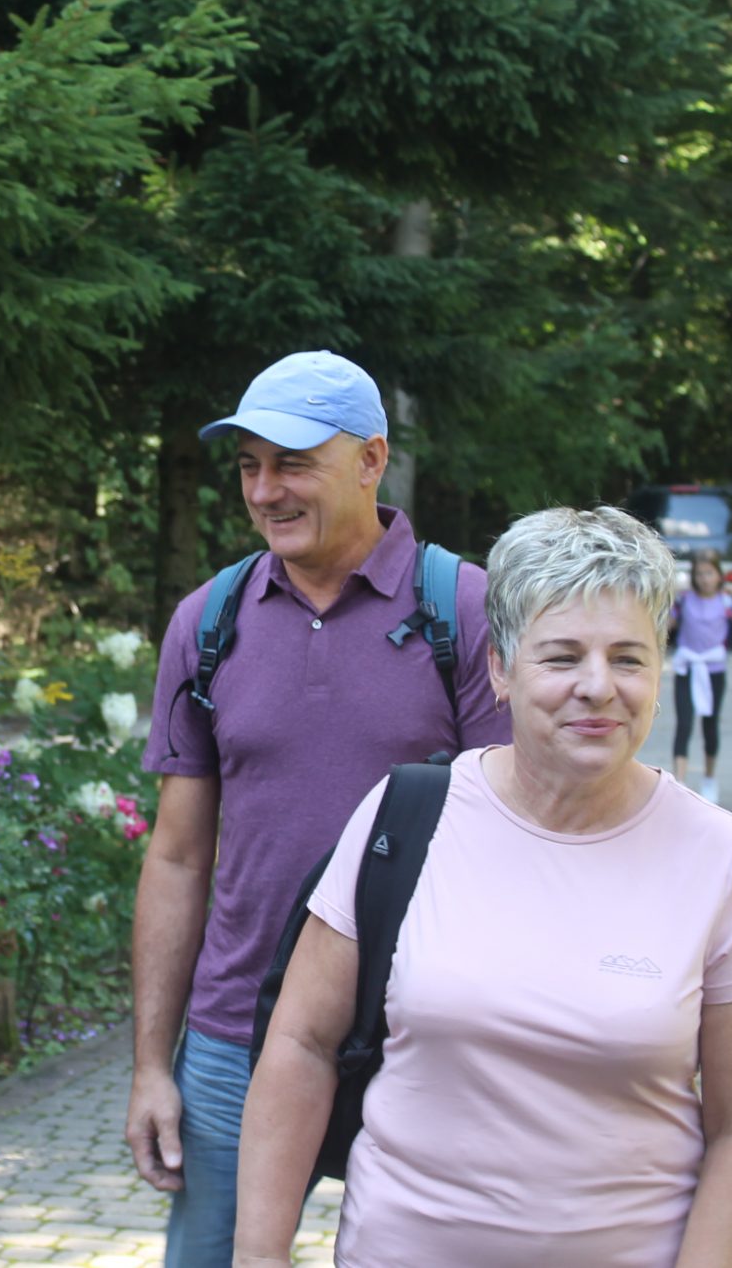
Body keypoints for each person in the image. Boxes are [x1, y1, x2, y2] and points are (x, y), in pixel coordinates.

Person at [237, 506, 732, 1268]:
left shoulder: (724, 858)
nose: (597, 686)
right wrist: (259, 1254)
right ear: (500, 667)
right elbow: (301, 1044)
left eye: (628, 658)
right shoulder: (406, 816)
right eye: (562, 656)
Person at [126, 350, 511, 1266]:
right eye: (249, 466)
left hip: (424, 1031)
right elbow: (177, 856)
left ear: (372, 459)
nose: (266, 491)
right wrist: (150, 1064)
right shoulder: (208, 621)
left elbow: (519, 842)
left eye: (292, 463)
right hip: (238, 1035)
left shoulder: (465, 610)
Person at [669, 550, 732, 804]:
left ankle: (709, 777)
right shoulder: (685, 601)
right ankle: (679, 782)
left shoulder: (725, 602)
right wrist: (669, 596)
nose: (704, 579)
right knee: (684, 724)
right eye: (700, 574)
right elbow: (664, 624)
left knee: (710, 726)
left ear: (719, 575)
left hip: (713, 670)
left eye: (709, 573)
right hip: (688, 668)